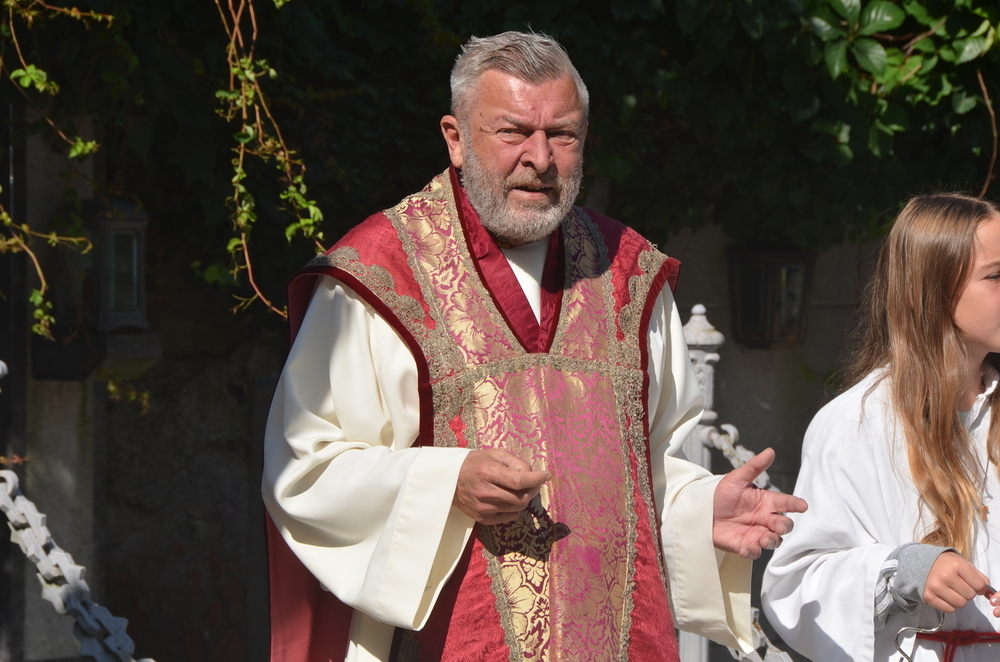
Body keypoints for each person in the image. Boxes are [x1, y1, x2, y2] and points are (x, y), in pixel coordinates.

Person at [263, 31, 805, 662]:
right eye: (513, 132)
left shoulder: (628, 275)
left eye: (563, 135)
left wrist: (699, 510)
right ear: (455, 138)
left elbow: (644, 473)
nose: (540, 158)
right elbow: (306, 469)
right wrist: (446, 483)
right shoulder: (381, 275)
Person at [762, 193, 1000, 661]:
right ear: (927, 289)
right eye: (996, 277)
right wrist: (900, 570)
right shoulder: (856, 423)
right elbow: (796, 586)